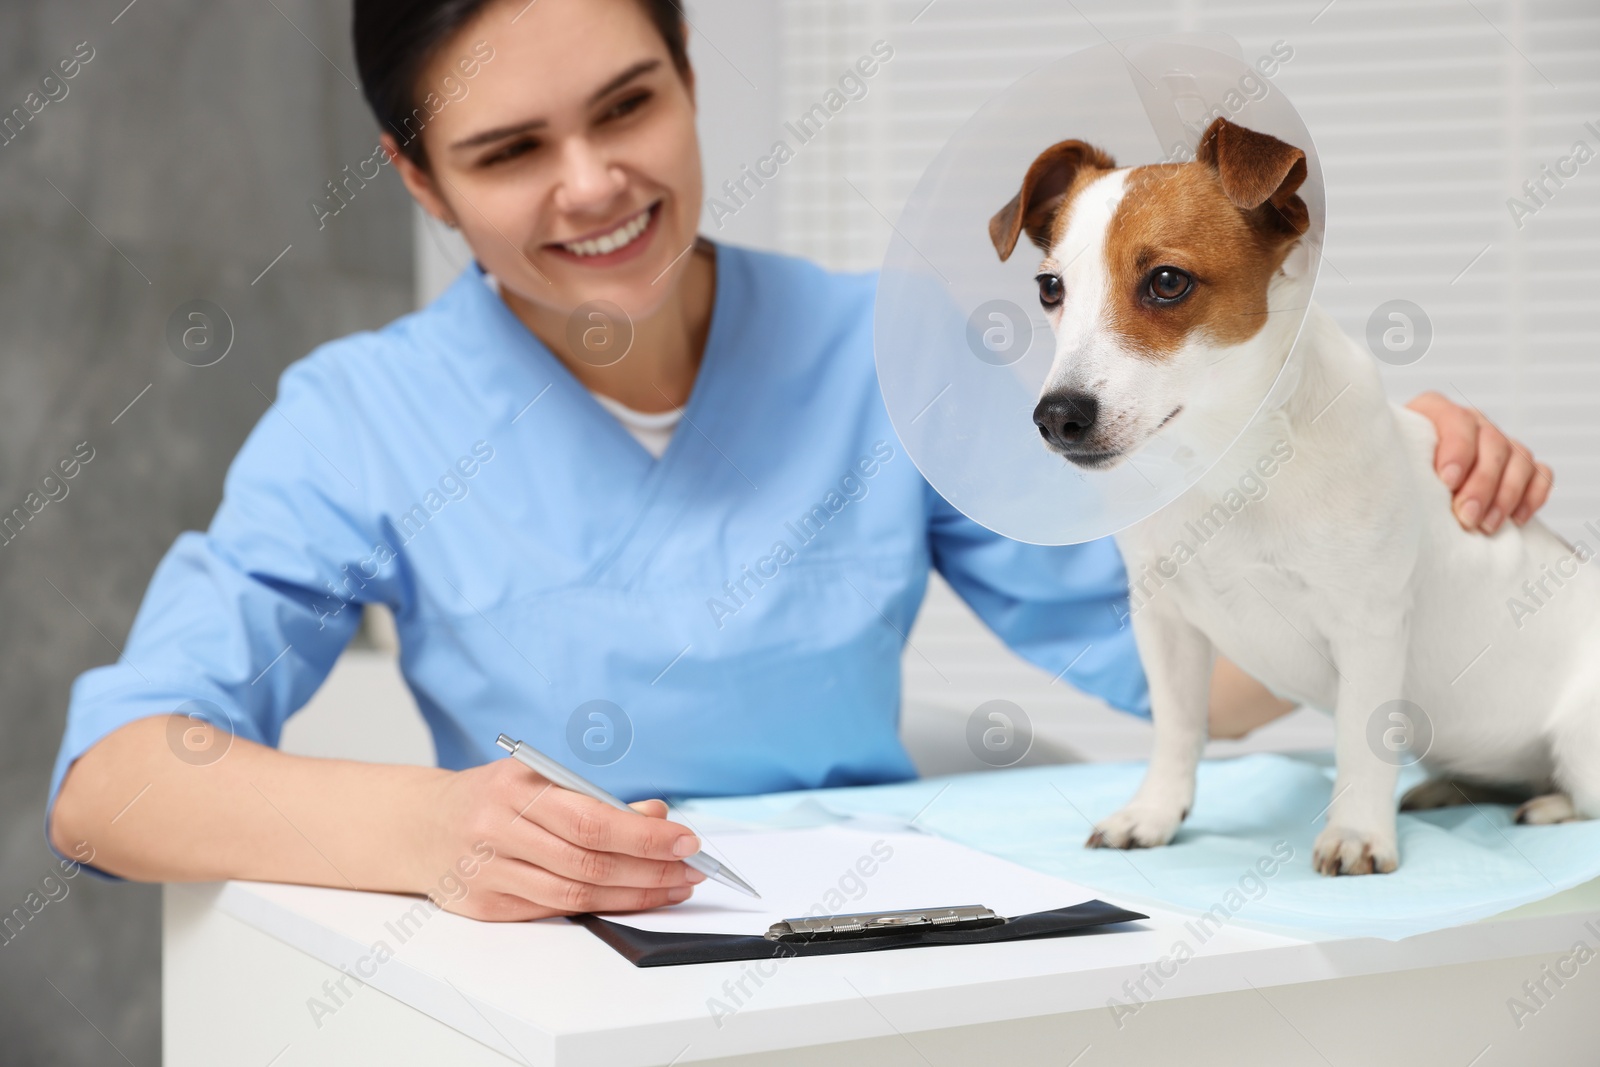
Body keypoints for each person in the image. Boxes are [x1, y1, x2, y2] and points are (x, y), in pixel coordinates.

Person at [46, 0, 1553, 922]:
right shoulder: (359, 417)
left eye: (629, 104)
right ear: (414, 177)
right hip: (551, 988)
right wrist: (434, 831)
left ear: (691, 65)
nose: (596, 187)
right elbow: (113, 784)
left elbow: (1204, 676)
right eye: (510, 151)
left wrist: (1378, 498)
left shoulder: (875, 353)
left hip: (859, 966)